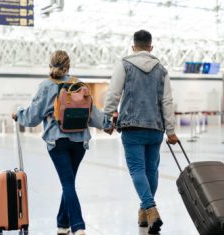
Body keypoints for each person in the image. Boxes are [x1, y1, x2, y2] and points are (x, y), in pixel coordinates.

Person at [12, 50, 105, 235]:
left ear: (50, 65)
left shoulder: (46, 86)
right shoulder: (79, 84)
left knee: (67, 184)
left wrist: (19, 114)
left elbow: (32, 117)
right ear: (68, 66)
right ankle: (62, 225)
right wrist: (108, 124)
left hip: (58, 141)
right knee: (69, 182)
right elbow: (92, 113)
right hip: (80, 141)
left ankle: (78, 227)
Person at [103, 29, 178, 234]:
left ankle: (151, 208)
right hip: (155, 128)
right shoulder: (161, 70)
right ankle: (143, 212)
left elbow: (113, 94)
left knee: (137, 170)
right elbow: (167, 102)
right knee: (151, 171)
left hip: (132, 127)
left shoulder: (124, 64)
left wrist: (107, 116)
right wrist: (171, 130)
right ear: (151, 47)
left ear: (133, 47)